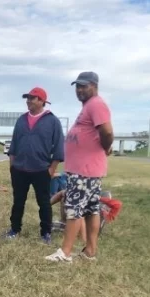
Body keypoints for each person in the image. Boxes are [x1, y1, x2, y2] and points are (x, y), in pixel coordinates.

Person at [46, 72, 114, 262]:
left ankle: (65, 252)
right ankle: (90, 251)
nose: (80, 90)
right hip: (87, 170)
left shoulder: (96, 104)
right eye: (77, 86)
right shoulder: (89, 106)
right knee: (91, 209)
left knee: (74, 209)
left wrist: (106, 146)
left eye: (84, 86)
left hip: (84, 170)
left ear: (94, 85)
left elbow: (107, 131)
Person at [5, 87, 65, 244]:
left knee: (44, 202)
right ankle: (14, 229)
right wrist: (12, 166)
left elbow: (58, 146)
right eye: (28, 98)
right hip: (19, 169)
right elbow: (14, 144)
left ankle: (46, 232)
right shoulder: (21, 120)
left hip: (41, 170)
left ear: (41, 101)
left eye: (32, 98)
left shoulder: (52, 121)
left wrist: (52, 168)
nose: (28, 101)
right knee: (18, 201)